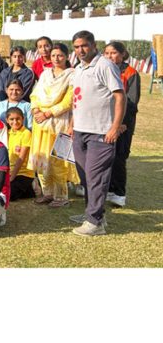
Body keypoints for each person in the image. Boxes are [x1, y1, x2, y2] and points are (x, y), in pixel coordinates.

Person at [69, 30, 125, 236]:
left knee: (96, 177)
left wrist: (114, 127)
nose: (80, 50)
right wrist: (73, 123)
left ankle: (95, 222)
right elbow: (79, 98)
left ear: (93, 45)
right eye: (76, 47)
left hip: (100, 133)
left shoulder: (105, 65)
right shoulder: (79, 68)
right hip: (80, 131)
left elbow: (120, 97)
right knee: (86, 178)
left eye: (84, 45)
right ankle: (92, 213)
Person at [28, 43, 77, 207]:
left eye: (60, 55)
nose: (56, 58)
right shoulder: (45, 74)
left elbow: (69, 101)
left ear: (67, 57)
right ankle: (47, 193)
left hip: (60, 123)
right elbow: (35, 94)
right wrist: (35, 110)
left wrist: (48, 113)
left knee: (59, 161)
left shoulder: (72, 75)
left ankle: (61, 197)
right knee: (41, 159)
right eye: (54, 55)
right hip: (40, 124)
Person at [104, 41, 140, 208]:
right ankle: (108, 189)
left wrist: (122, 123)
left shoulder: (131, 73)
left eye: (113, 53)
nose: (110, 56)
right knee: (105, 157)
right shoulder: (105, 70)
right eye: (107, 53)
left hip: (123, 124)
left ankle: (119, 193)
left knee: (119, 158)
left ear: (122, 54)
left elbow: (131, 101)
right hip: (105, 121)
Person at [5, 107, 35, 201]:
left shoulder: (26, 133)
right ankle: (29, 191)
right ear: (7, 120)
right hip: (9, 172)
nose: (15, 122)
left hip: (23, 173)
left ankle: (29, 186)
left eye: (18, 119)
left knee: (7, 196)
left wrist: (12, 177)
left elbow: (21, 158)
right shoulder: (7, 133)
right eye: (11, 119)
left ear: (23, 119)